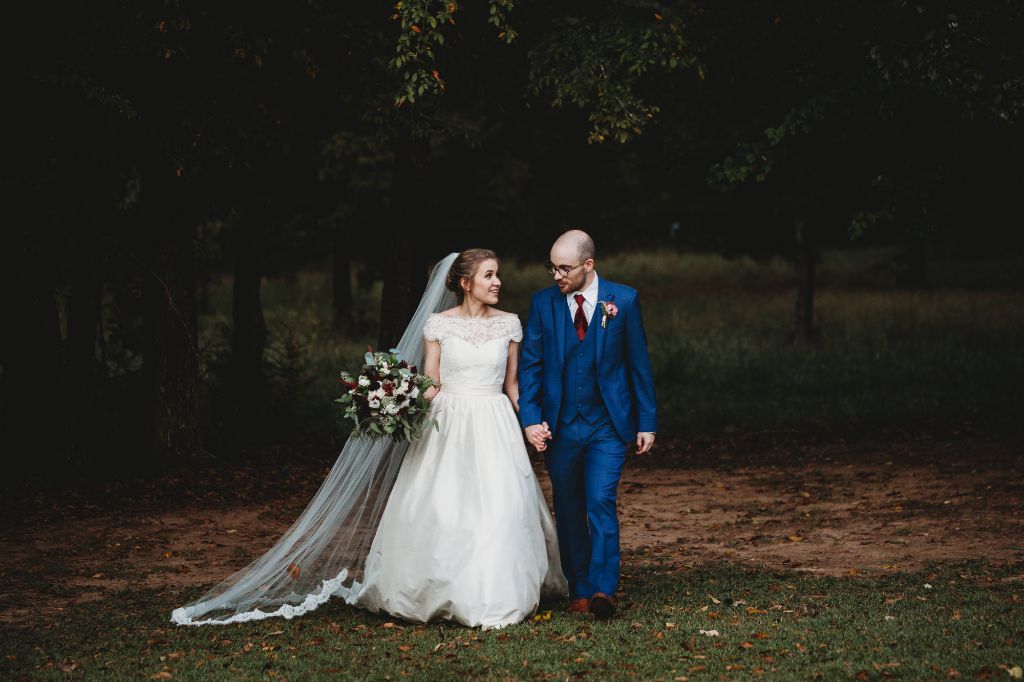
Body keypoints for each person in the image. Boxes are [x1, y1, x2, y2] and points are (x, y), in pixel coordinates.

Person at [171, 250, 566, 630]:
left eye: (497, 274)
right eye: (489, 275)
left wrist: (532, 422)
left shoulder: (510, 323)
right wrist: (396, 400)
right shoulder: (439, 325)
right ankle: (434, 591)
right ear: (465, 282)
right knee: (442, 507)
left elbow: (513, 386)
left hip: (493, 421)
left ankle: (495, 594)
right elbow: (432, 383)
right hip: (447, 424)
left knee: (501, 508)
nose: (498, 282)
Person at [518, 230, 657, 620]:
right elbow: (530, 367)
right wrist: (530, 419)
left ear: (588, 265)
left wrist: (647, 421)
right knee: (569, 505)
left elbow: (638, 365)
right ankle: (578, 587)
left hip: (608, 425)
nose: (556, 275)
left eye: (564, 268)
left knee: (600, 500)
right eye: (552, 267)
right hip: (560, 426)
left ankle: (603, 589)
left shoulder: (624, 301)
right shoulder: (543, 304)